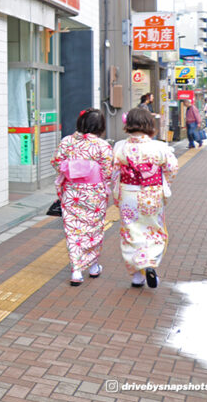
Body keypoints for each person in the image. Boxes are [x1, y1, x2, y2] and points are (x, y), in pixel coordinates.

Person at [113, 108, 179, 288]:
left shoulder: (120, 146)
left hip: (128, 193)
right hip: (152, 193)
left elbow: (114, 172)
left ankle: (137, 276)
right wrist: (165, 184)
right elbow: (172, 168)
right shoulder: (159, 147)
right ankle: (149, 262)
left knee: (130, 231)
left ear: (128, 124)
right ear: (149, 124)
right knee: (153, 229)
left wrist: (116, 194)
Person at [51, 109, 114, 286]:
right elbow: (108, 172)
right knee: (94, 230)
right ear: (100, 126)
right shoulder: (103, 146)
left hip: (72, 192)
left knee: (73, 231)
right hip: (94, 193)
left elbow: (56, 162)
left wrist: (73, 169)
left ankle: (76, 271)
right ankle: (93, 266)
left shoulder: (67, 141)